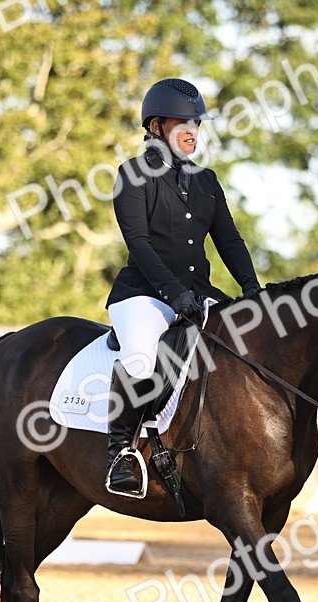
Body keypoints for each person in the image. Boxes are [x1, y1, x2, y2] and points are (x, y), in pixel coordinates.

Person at [103, 77, 263, 497]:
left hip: (197, 295)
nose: (193, 131)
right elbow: (138, 244)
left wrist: (252, 288)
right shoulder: (132, 176)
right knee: (140, 357)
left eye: (197, 123)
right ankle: (120, 452)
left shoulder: (207, 181)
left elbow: (229, 240)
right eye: (183, 122)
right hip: (143, 297)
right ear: (156, 127)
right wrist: (174, 294)